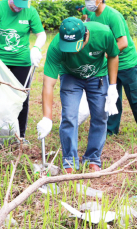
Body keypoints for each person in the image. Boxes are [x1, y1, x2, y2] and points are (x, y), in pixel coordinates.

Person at [36, 17, 120, 173]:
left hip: (98, 76)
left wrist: (113, 86)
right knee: (69, 116)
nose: (71, 50)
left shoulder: (103, 33)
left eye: (74, 46)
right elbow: (48, 84)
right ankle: (69, 160)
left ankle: (93, 158)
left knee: (100, 115)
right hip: (70, 76)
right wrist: (47, 118)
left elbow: (113, 55)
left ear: (86, 36)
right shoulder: (56, 47)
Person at [79, 0, 137, 138]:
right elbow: (85, 19)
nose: (87, 2)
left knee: (135, 98)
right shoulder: (89, 13)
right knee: (112, 96)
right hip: (109, 64)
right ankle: (111, 129)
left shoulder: (113, 16)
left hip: (127, 63)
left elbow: (123, 43)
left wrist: (105, 55)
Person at [0, 0, 46, 139]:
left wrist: (36, 48)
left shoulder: (30, 11)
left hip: (22, 61)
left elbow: (41, 34)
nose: (19, 7)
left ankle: (20, 135)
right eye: (17, 3)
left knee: (21, 97)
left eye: (23, 4)